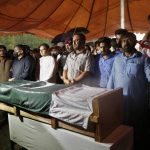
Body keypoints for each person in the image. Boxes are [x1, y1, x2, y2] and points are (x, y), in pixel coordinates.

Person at [107, 32, 150, 149]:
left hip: (138, 102)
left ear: (135, 42)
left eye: (130, 40)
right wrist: (108, 97)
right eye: (124, 40)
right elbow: (112, 78)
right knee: (121, 128)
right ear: (120, 43)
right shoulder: (117, 59)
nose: (126, 43)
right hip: (120, 101)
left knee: (138, 128)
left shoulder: (143, 58)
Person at [0, 45, 12, 127]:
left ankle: (4, 120)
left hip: (8, 86)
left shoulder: (10, 61)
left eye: (3, 50)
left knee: (6, 103)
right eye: (0, 50)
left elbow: (12, 73)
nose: (2, 52)